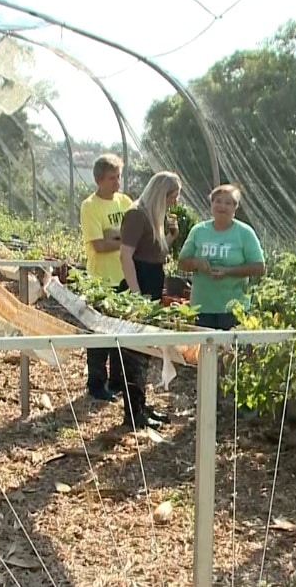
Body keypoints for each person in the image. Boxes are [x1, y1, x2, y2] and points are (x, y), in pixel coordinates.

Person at [80, 154, 163, 427]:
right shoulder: (90, 206)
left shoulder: (125, 202)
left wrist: (117, 236)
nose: (118, 182)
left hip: (126, 278)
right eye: (112, 178)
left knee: (123, 335)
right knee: (100, 332)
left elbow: (120, 238)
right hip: (102, 278)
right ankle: (96, 382)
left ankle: (117, 382)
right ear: (99, 179)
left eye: (118, 176)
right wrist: (126, 240)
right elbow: (98, 245)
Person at [117, 171, 183, 427]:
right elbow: (126, 257)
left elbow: (153, 253)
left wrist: (170, 238)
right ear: (160, 194)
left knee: (144, 350)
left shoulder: (154, 217)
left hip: (152, 281)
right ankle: (133, 414)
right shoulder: (136, 215)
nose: (174, 202)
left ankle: (140, 407)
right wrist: (136, 295)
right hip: (140, 284)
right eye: (172, 196)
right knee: (134, 351)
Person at [177, 184, 265, 330]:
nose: (222, 206)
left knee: (230, 351)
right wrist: (197, 263)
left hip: (233, 309)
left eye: (228, 203)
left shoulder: (244, 233)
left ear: (235, 207)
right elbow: (182, 262)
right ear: (211, 204)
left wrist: (228, 271)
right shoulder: (199, 231)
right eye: (217, 201)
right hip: (201, 307)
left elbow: (259, 267)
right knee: (203, 351)